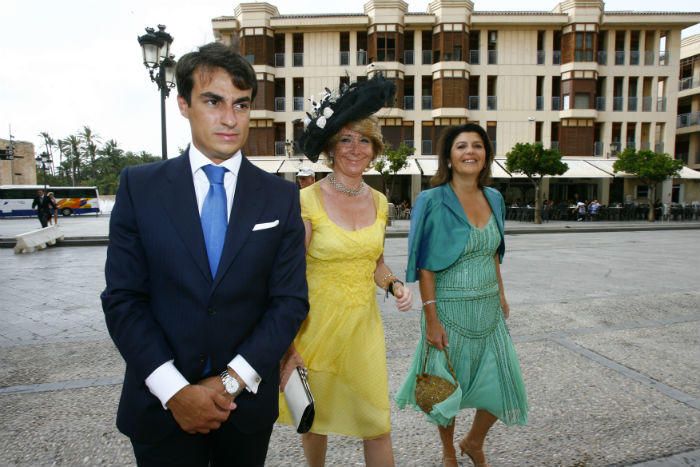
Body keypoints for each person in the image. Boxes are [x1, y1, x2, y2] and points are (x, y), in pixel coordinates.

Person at [101, 42, 309, 466]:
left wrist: (230, 383)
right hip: (160, 408)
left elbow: (289, 303)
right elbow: (123, 299)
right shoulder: (140, 188)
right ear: (183, 104)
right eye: (213, 101)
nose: (230, 119)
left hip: (244, 409)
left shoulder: (280, 197)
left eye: (242, 104)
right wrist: (176, 392)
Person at [277, 75, 413, 466]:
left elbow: (376, 263)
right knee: (314, 419)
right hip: (314, 326)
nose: (355, 148)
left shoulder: (382, 202)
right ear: (331, 148)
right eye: (346, 139)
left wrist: (394, 284)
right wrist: (287, 344)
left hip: (362, 329)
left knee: (376, 421)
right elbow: (288, 275)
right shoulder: (306, 201)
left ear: (374, 149)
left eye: (364, 140)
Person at [396, 123, 528, 467]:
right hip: (449, 309)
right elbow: (425, 265)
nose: (470, 152)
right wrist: (431, 318)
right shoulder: (432, 199)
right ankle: (448, 451)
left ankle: (473, 441)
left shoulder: (495, 198)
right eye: (461, 147)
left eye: (477, 146)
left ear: (486, 156)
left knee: (504, 381)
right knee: (444, 388)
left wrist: (501, 295)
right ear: (449, 158)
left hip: (487, 308)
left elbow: (493, 253)